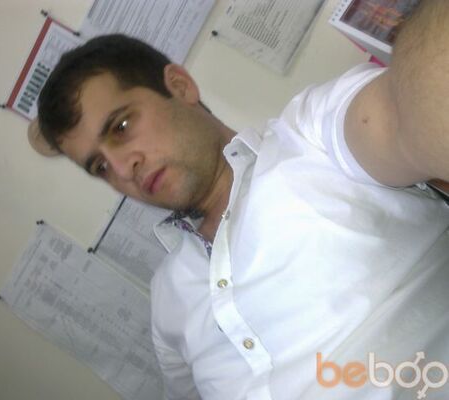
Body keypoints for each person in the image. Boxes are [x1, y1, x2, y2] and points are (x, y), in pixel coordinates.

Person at [36, 1, 449, 399]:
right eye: (100, 167)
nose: (122, 169)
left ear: (180, 86)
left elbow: (408, 110)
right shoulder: (167, 300)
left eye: (122, 126)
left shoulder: (311, 137)